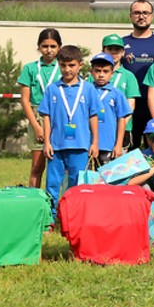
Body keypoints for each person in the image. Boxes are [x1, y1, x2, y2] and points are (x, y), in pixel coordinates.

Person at [38, 45, 101, 218]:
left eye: (71, 65)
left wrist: (95, 142)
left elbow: (93, 116)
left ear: (80, 65)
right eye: (63, 65)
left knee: (77, 183)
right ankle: (49, 218)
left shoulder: (88, 89)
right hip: (56, 146)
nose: (67, 69)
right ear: (59, 64)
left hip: (80, 145)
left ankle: (73, 217)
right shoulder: (52, 89)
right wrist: (47, 142)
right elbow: (46, 117)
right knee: (52, 183)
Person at [18, 28, 62, 188]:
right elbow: (25, 100)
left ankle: (59, 203)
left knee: (60, 166)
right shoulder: (30, 68)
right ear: (39, 47)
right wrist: (36, 126)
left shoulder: (64, 67)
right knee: (37, 166)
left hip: (60, 116)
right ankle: (34, 200)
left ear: (59, 47)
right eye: (45, 46)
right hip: (38, 116)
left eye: (53, 46)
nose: (49, 50)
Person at [121, 0, 154, 142]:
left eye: (145, 13)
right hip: (129, 103)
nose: (141, 16)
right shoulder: (121, 44)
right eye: (137, 13)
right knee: (131, 149)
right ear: (130, 16)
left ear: (152, 16)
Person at [89, 53, 131, 164]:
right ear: (91, 72)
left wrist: (118, 145)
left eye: (105, 71)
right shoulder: (86, 91)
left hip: (108, 144)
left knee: (107, 178)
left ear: (112, 73)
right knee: (88, 178)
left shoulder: (117, 93)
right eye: (97, 71)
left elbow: (121, 120)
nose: (101, 75)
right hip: (88, 143)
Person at [101, 34, 140, 149]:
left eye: (117, 50)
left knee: (119, 164)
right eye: (109, 49)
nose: (113, 53)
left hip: (122, 128)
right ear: (103, 51)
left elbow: (131, 105)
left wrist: (119, 124)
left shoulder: (129, 76)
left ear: (123, 52)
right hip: (100, 127)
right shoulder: (95, 75)